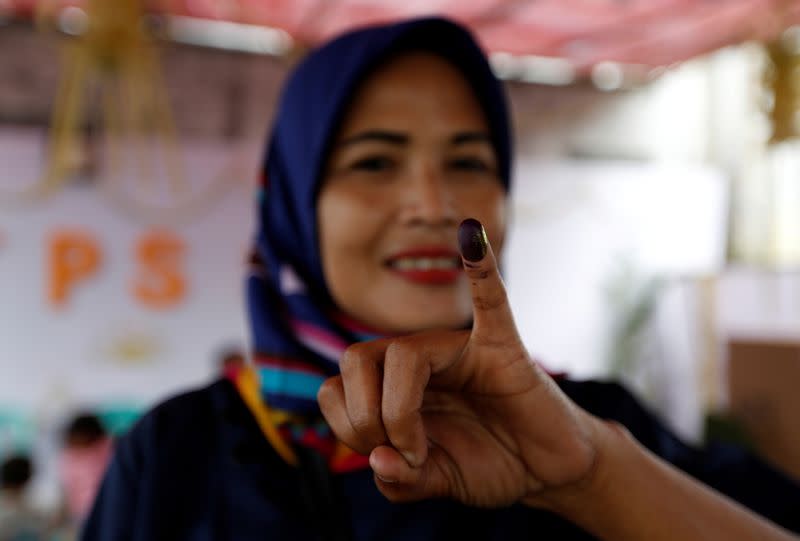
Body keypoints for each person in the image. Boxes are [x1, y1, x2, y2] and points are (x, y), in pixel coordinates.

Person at [82, 17, 800, 541]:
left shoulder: (591, 431)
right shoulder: (177, 456)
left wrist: (592, 480)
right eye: (374, 162)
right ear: (296, 207)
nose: (433, 204)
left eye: (468, 162)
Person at [58, 414, 113, 527]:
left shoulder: (109, 450)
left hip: (108, 511)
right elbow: (69, 488)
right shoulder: (69, 457)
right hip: (81, 514)